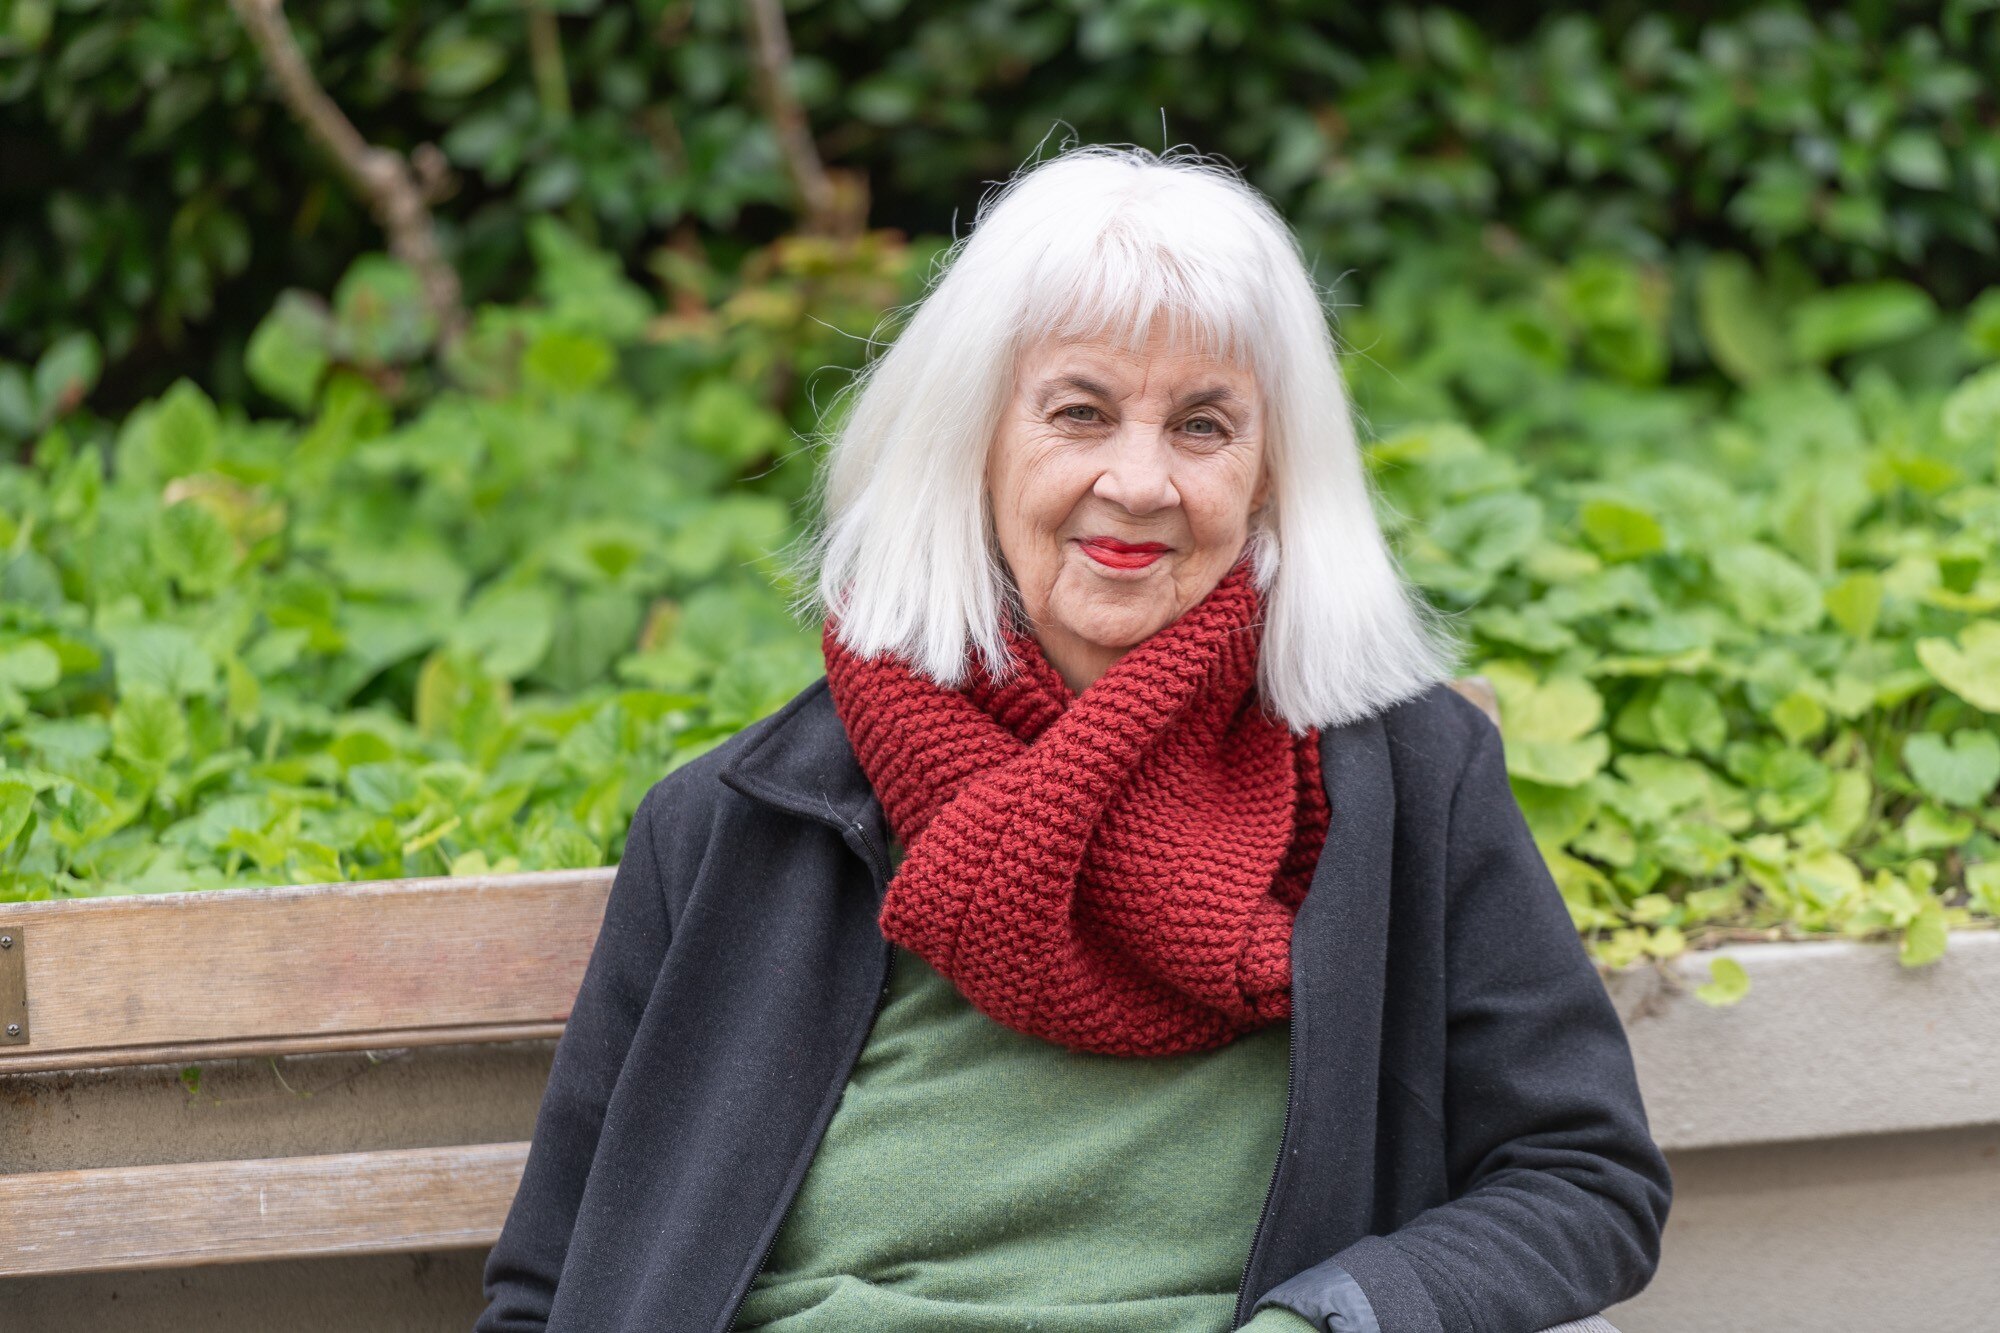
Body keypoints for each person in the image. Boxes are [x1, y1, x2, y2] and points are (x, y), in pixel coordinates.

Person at [474, 143, 1671, 1333]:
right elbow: (554, 1284)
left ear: (1267, 477)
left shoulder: (1398, 782)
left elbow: (1582, 1175)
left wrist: (1338, 1322)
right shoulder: (746, 820)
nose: (1138, 480)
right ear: (973, 442)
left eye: (1203, 426)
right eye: (1079, 412)